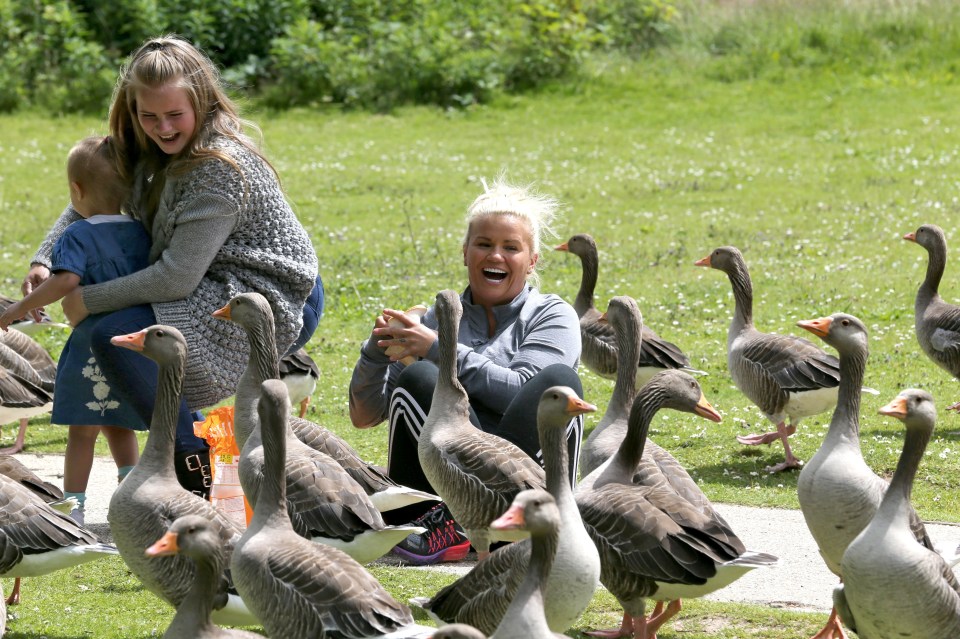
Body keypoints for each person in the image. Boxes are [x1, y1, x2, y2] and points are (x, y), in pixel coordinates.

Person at [22, 35, 321, 499]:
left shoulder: (221, 167)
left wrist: (83, 299)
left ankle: (188, 459)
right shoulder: (140, 144)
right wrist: (47, 257)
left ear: (201, 103)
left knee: (115, 334)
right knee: (116, 329)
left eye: (174, 115)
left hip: (265, 290)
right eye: (149, 115)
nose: (162, 127)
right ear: (132, 108)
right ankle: (190, 445)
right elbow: (87, 201)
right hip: (198, 274)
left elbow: (176, 278)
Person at [349, 177, 583, 565]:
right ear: (465, 253)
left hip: (523, 498)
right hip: (440, 504)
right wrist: (376, 351)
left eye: (511, 247)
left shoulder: (552, 315)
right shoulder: (436, 319)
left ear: (532, 260)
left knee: (556, 384)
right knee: (420, 380)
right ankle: (442, 523)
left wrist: (439, 351)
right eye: (484, 244)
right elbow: (365, 416)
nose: (496, 256)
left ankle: (516, 524)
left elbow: (518, 392)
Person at [1, 135, 150, 524]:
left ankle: (74, 507)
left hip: (91, 347)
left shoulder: (77, 234)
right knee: (119, 426)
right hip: (131, 346)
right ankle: (132, 503)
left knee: (82, 431)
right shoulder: (141, 232)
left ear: (76, 190)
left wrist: (18, 309)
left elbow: (66, 281)